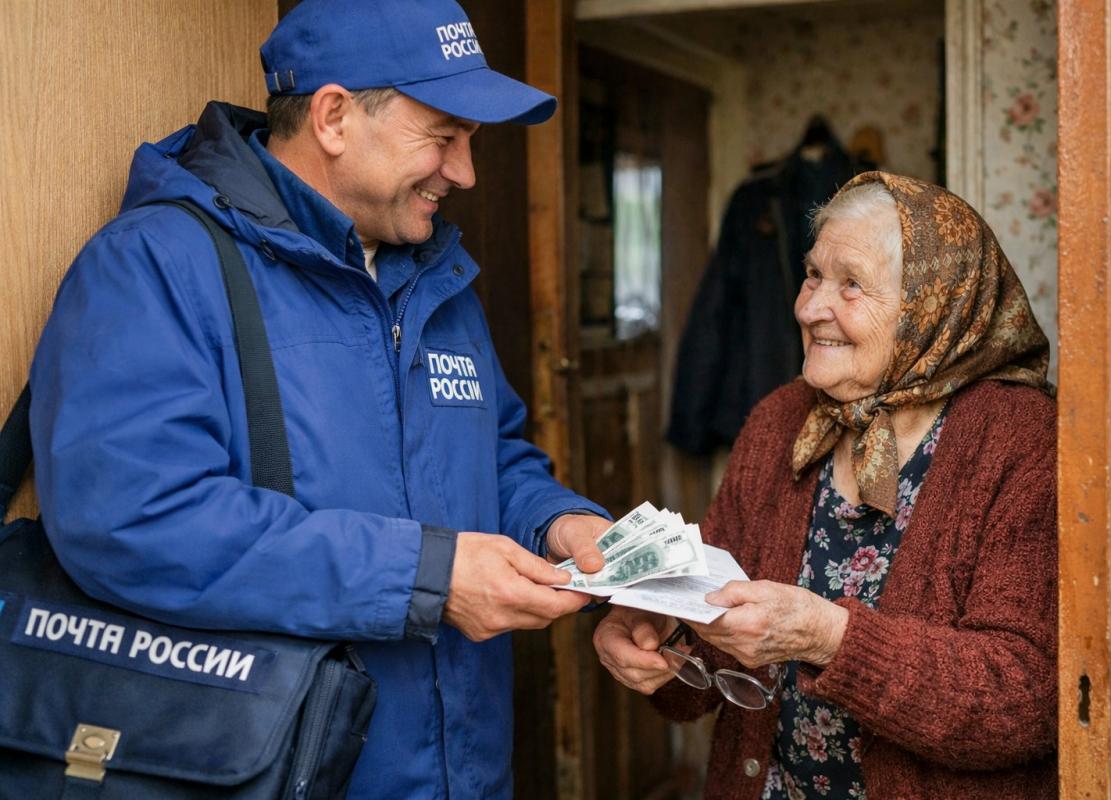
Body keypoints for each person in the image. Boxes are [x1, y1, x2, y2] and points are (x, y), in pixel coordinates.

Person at [29, 1, 611, 796]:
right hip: (278, 767)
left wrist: (558, 523)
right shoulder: (154, 265)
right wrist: (427, 578)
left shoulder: (437, 277)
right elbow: (133, 517)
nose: (466, 173)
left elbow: (494, 457)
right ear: (335, 116)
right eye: (444, 137)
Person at [594, 172, 1058, 799]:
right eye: (813, 275)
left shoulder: (1020, 437)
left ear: (932, 305)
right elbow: (716, 629)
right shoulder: (779, 420)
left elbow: (1027, 697)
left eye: (852, 285)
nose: (809, 308)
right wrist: (663, 646)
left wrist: (829, 637)